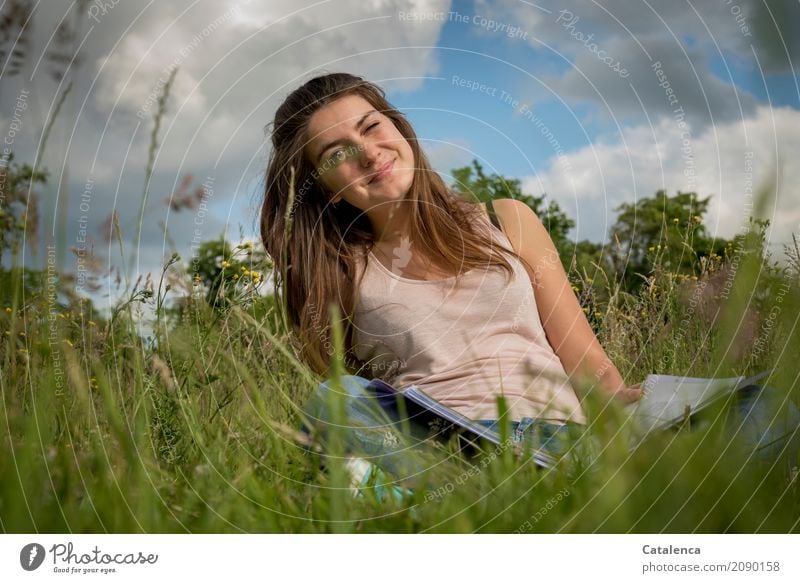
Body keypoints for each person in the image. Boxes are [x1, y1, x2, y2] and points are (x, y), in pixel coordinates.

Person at [259, 72, 799, 497]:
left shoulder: (504, 219)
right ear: (325, 189)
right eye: (335, 154)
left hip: (567, 435)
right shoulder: (342, 270)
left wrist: (630, 406)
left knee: (767, 409)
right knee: (336, 401)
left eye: (371, 126)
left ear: (399, 129)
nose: (366, 151)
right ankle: (527, 496)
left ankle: (558, 486)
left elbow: (586, 360)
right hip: (448, 444)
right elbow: (358, 391)